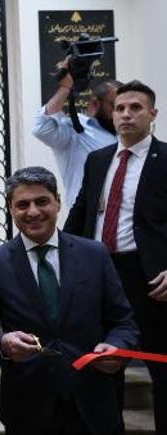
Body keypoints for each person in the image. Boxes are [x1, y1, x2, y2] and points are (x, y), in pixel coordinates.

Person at [0, 166, 138, 435]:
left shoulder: (94, 254)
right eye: (22, 204)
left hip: (94, 400)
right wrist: (3, 342)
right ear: (10, 209)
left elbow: (124, 322)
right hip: (27, 405)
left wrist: (117, 346)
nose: (33, 212)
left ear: (58, 202)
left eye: (42, 201)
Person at [65, 80, 167, 432]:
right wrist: (62, 256)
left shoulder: (165, 159)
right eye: (120, 108)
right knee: (104, 366)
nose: (125, 114)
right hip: (99, 274)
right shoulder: (98, 159)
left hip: (151, 278)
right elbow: (81, 212)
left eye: (135, 108)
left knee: (161, 367)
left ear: (153, 114)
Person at [32, 70, 120, 204]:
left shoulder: (126, 133)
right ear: (95, 104)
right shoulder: (76, 129)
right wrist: (66, 86)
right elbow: (42, 128)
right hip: (88, 213)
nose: (122, 113)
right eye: (116, 107)